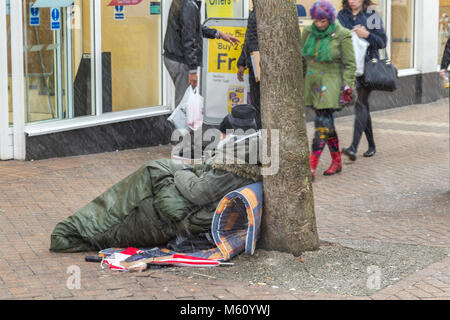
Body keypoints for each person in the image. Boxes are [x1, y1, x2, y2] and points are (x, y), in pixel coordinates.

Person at [49, 108, 261, 253]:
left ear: (229, 134)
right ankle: (81, 227)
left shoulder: (234, 161)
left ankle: (77, 231)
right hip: (189, 208)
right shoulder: (246, 154)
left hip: (185, 213)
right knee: (153, 170)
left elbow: (198, 192)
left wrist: (180, 172)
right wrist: (184, 169)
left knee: (152, 172)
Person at [301, 0, 356, 180]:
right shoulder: (308, 32)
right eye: (316, 21)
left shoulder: (342, 34)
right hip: (312, 83)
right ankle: (337, 161)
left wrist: (347, 85)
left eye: (323, 21)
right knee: (327, 124)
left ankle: (311, 166)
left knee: (321, 123)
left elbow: (350, 64)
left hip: (331, 84)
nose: (319, 24)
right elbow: (302, 58)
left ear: (330, 19)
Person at [164, 0, 240, 107]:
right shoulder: (189, 5)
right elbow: (188, 38)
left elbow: (193, 28)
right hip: (180, 60)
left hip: (175, 57)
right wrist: (193, 70)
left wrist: (218, 34)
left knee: (186, 100)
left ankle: (185, 122)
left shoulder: (186, 3)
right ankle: (182, 123)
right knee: (184, 102)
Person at [338, 0, 387, 161]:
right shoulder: (342, 15)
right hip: (351, 67)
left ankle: (353, 147)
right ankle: (372, 145)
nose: (352, 1)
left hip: (368, 67)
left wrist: (367, 35)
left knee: (360, 103)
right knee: (363, 106)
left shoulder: (372, 15)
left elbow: (382, 42)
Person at [237, 5, 261, 129]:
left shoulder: (260, 12)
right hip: (254, 63)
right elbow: (248, 39)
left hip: (258, 63)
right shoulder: (254, 12)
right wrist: (242, 62)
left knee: (259, 102)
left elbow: (251, 41)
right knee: (256, 102)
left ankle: (261, 133)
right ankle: (260, 133)